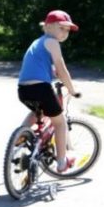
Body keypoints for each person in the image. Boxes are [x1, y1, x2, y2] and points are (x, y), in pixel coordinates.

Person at [17, 9, 80, 173]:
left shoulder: (37, 42)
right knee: (60, 123)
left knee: (37, 113)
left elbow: (43, 67)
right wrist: (72, 90)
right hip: (40, 88)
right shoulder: (52, 42)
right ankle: (61, 161)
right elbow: (62, 68)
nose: (65, 33)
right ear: (48, 26)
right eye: (61, 28)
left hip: (23, 89)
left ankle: (18, 138)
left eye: (67, 30)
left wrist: (53, 73)